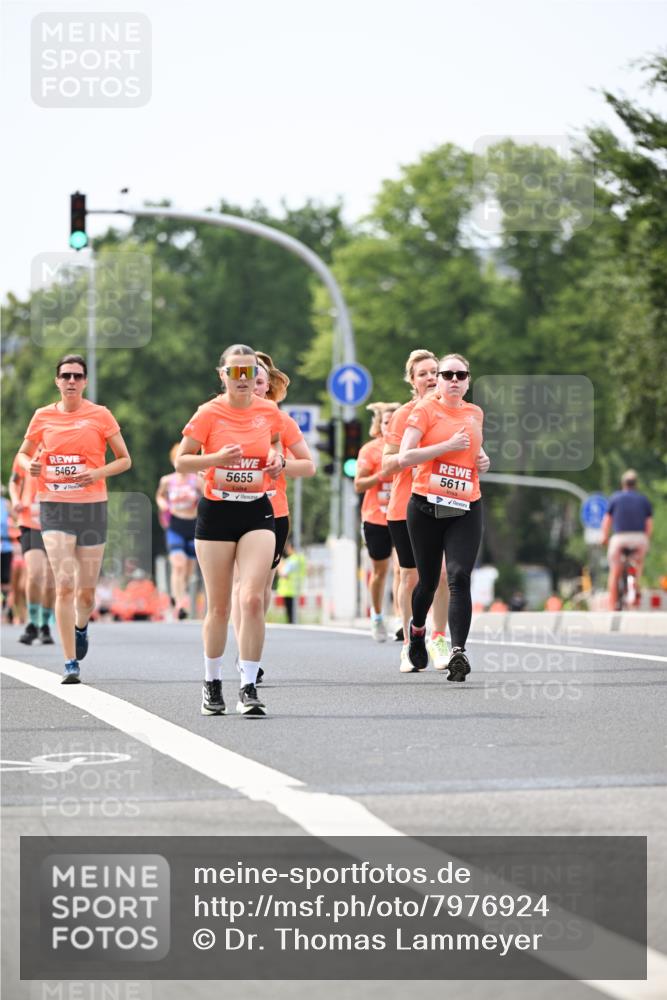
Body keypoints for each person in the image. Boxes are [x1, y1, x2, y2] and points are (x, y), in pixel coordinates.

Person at [175, 344, 284, 718]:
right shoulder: (208, 413)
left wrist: (277, 460)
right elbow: (182, 461)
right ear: (222, 375)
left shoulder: (269, 412)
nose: (243, 379)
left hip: (257, 510)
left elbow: (284, 450)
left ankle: (249, 685)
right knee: (219, 606)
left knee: (253, 599)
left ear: (257, 376)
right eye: (235, 372)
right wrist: (215, 460)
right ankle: (212, 682)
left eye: (249, 372)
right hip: (216, 512)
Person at [15, 355, 131, 683]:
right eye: (65, 375)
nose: (71, 381)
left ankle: (81, 627)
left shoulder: (100, 415)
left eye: (77, 376)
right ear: (57, 380)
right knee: (64, 584)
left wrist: (95, 472)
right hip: (54, 507)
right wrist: (29, 466)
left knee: (86, 593)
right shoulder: (42, 416)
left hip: (92, 507)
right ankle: (70, 662)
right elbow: (22, 454)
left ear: (84, 382)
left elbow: (125, 460)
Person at [399, 353, 490, 681]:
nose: (454, 380)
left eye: (460, 375)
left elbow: (474, 450)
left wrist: (482, 459)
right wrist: (445, 445)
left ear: (468, 381)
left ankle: (458, 651)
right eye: (447, 374)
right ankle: (418, 628)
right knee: (426, 582)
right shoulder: (424, 410)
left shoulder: (474, 413)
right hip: (425, 507)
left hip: (465, 506)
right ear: (437, 380)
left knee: (458, 577)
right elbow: (405, 456)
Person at [230, 352, 315, 680]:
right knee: (243, 585)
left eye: (260, 380)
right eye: (248, 377)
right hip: (233, 508)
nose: (253, 385)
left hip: (272, 511)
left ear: (267, 387)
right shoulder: (225, 416)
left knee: (261, 589)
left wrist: (281, 465)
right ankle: (243, 653)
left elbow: (306, 466)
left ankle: (249, 642)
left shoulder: (280, 421)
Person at [382, 349, 453, 672]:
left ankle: (438, 638)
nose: (429, 377)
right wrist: (420, 454)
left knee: (439, 574)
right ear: (412, 381)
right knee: (410, 575)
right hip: (405, 505)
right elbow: (387, 463)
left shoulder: (452, 413)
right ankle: (411, 642)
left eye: (434, 372)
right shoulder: (403, 416)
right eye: (422, 373)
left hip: (442, 502)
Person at [355, 402, 401, 641]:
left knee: (404, 569)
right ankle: (377, 616)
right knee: (380, 571)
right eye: (385, 422)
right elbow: (358, 484)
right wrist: (380, 475)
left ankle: (401, 618)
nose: (389, 426)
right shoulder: (371, 450)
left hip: (402, 515)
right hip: (375, 517)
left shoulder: (408, 447)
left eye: (394, 421)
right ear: (379, 424)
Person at [10, 454, 55, 645]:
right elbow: (14, 481)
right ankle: (32, 622)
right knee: (35, 573)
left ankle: (44, 623)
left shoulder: (62, 450)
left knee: (51, 578)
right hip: (30, 521)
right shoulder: (25, 454)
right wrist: (15, 500)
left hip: (57, 522)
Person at [156, 444, 202, 620]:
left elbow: (207, 496)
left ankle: (180, 594)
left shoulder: (196, 480)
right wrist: (163, 504)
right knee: (178, 564)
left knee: (189, 570)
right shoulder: (167, 481)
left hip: (194, 525)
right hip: (175, 525)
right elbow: (160, 495)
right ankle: (179, 601)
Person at [601, 469, 653, 610]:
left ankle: (612, 606)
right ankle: (635, 587)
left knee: (615, 570)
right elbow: (649, 525)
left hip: (620, 539)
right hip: (639, 538)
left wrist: (604, 538)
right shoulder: (644, 500)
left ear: (622, 484)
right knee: (638, 564)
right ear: (636, 485)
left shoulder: (615, 498)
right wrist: (646, 540)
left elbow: (607, 521)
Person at [276, 539, 308, 623]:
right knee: (294, 615)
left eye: (288, 547)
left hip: (289, 591)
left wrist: (279, 566)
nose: (287, 550)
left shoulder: (293, 560)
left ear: (291, 548)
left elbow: (283, 573)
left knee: (291, 616)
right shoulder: (301, 558)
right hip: (296, 589)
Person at [1, 490, 13, 622]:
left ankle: (5, 609)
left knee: (5, 580)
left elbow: (16, 519)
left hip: (5, 546)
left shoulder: (5, 503)